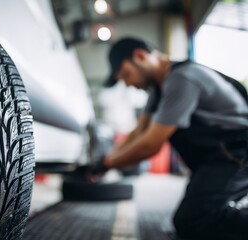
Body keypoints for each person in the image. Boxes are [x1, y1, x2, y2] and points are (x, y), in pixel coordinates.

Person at [91, 37, 248, 239]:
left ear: (140, 56)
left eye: (126, 75)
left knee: (196, 220)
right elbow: (138, 133)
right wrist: (105, 160)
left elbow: (149, 145)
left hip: (237, 156)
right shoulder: (159, 89)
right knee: (189, 220)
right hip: (217, 159)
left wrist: (105, 164)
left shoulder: (182, 78)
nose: (128, 84)